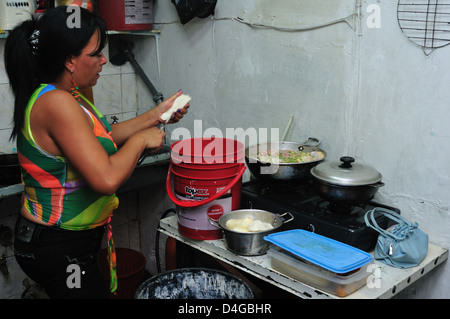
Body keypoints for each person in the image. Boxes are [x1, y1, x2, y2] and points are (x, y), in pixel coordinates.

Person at [4, 6, 188, 298]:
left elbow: (103, 137)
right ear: (69, 61)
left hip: (63, 242)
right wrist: (141, 141)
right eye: (95, 54)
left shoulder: (68, 96)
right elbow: (105, 178)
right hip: (58, 246)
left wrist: (157, 114)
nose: (104, 60)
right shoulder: (57, 103)